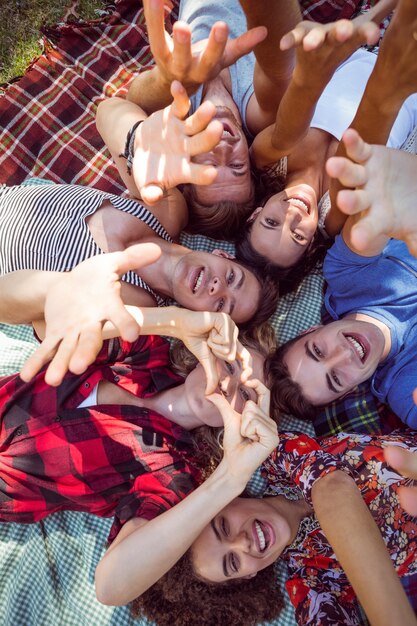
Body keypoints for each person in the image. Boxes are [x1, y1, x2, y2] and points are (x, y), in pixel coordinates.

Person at [96, 392, 417, 626]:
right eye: (233, 562)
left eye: (222, 526)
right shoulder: (314, 580)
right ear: (249, 575)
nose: (242, 542)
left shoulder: (275, 461)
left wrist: (227, 481)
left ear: (226, 500)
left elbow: (333, 487)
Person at [0, 84, 278, 328]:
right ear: (223, 255)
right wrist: (137, 140)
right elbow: (109, 111)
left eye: (221, 306)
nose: (218, 288)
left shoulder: (135, 307)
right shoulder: (167, 212)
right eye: (231, 278)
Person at [236, 0, 417, 290]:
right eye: (296, 235)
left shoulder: (265, 162)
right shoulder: (335, 215)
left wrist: (380, 11)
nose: (292, 214)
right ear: (310, 246)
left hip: (360, 33)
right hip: (404, 66)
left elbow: (299, 102)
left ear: (256, 213)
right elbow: (359, 141)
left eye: (271, 222)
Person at [266, 122, 417, 427]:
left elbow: (377, 214)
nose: (343, 354)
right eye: (335, 379)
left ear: (310, 331)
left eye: (318, 350)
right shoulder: (404, 389)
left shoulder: (345, 275)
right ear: (347, 392)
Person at [126, 0, 302, 237]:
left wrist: (165, 81)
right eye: (237, 166)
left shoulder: (181, 110)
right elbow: (280, 70)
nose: (223, 149)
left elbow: (136, 101)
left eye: (209, 165)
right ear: (250, 161)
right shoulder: (256, 115)